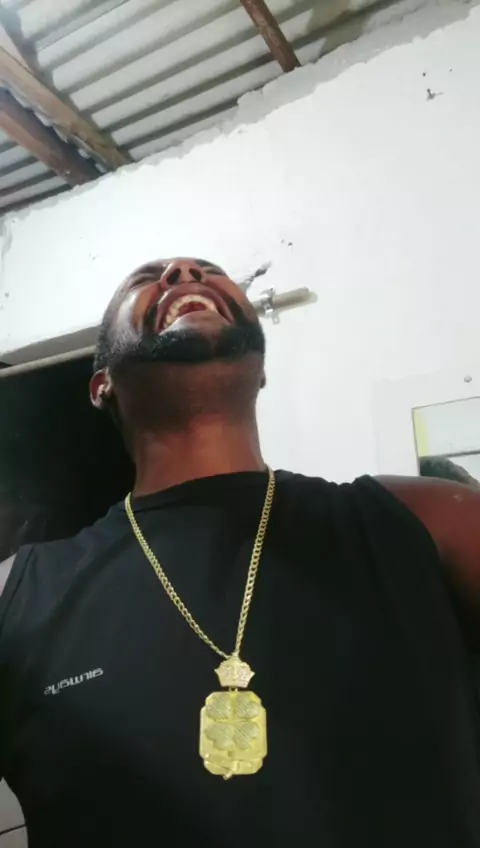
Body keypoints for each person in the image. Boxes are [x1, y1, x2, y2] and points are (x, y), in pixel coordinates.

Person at [1, 257, 480, 848]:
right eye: (146, 278)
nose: (184, 272)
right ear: (102, 386)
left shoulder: (431, 518)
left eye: (209, 270)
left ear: (262, 371)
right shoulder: (17, 595)